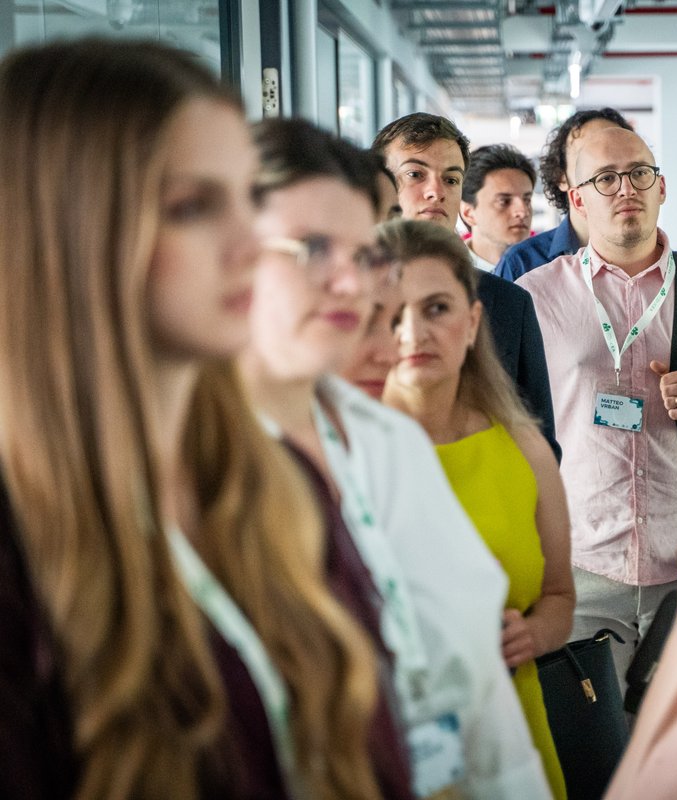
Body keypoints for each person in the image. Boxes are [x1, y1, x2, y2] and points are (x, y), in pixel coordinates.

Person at [0, 39, 399, 799]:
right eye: (192, 206)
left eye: (249, 197)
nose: (255, 243)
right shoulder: (18, 549)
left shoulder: (276, 485)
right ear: (69, 233)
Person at [243, 117, 553, 800]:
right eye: (311, 248)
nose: (352, 286)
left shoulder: (386, 443)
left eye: (361, 253)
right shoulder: (191, 466)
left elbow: (480, 697)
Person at [517, 126, 677, 683]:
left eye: (638, 174)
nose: (624, 188)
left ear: (662, 188)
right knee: (594, 755)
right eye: (605, 178)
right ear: (577, 198)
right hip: (580, 568)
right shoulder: (535, 296)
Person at [376, 219, 574, 799]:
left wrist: (534, 634)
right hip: (388, 745)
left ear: (473, 322)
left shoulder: (524, 447)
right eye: (392, 312)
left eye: (437, 307)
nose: (414, 332)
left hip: (512, 735)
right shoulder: (345, 455)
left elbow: (560, 597)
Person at [373, 112, 560, 459]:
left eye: (451, 179)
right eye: (415, 174)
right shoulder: (350, 297)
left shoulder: (508, 303)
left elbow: (541, 441)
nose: (436, 192)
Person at [495, 107, 633, 281]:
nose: (605, 164)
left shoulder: (654, 259)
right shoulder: (521, 265)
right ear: (561, 177)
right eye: (587, 154)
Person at [460, 144, 536, 273]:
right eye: (504, 201)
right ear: (469, 213)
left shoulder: (552, 268)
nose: (523, 212)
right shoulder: (447, 273)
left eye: (526, 199)